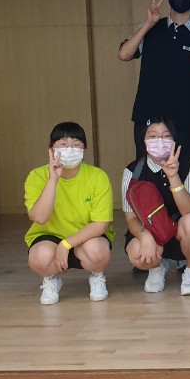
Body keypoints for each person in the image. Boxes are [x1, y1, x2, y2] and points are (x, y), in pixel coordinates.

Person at [118, 0, 190, 162]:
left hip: (187, 121)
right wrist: (148, 23)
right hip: (148, 119)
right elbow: (124, 54)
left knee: (185, 173)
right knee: (147, 174)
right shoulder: (152, 28)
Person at [24, 122, 114, 305]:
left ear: (84, 149)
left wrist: (66, 244)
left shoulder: (97, 176)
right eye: (63, 145)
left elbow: (100, 224)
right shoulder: (37, 176)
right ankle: (51, 279)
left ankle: (97, 276)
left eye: (76, 144)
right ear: (51, 149)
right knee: (39, 256)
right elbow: (40, 217)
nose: (70, 150)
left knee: (97, 250)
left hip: (87, 237)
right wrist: (53, 180)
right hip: (49, 237)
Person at [122, 118, 190, 297]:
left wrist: (173, 177)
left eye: (166, 136)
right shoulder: (132, 171)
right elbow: (130, 218)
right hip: (149, 228)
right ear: (144, 141)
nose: (159, 141)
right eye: (152, 136)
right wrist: (145, 237)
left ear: (174, 140)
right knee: (137, 253)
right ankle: (157, 267)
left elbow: (189, 210)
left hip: (180, 230)